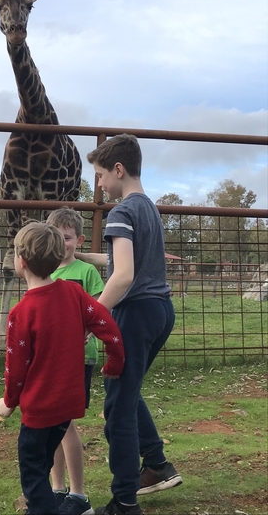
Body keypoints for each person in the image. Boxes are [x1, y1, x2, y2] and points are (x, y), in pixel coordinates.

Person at [77, 134, 182, 515]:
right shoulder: (148, 208)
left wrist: (90, 320)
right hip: (160, 311)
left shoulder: (120, 213)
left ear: (118, 170)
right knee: (127, 390)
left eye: (102, 175)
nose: (100, 184)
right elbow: (120, 261)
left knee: (117, 411)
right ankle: (155, 463)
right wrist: (79, 255)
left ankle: (124, 501)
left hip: (133, 314)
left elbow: (122, 278)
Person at [0, 222, 125, 515]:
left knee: (33, 473)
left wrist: (8, 403)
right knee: (42, 462)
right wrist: (114, 362)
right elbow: (109, 327)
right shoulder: (74, 294)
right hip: (67, 406)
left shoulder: (21, 313)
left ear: (22, 262)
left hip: (39, 411)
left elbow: (16, 370)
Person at [45, 207, 105, 515]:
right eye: (55, 236)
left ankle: (79, 496)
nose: (61, 242)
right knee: (52, 424)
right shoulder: (46, 273)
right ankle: (57, 490)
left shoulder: (86, 273)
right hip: (51, 360)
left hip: (79, 358)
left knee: (65, 423)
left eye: (67, 237)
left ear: (79, 240)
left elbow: (99, 312)